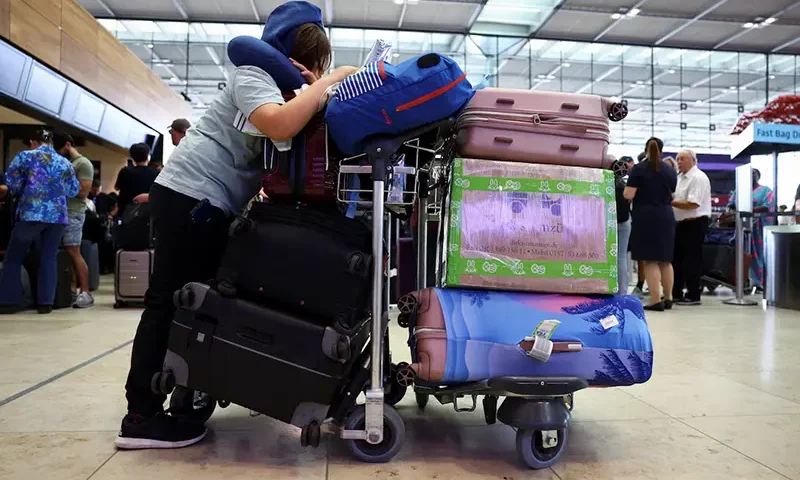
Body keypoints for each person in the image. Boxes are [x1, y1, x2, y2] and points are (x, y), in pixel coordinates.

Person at [115, 0, 359, 451]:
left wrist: (312, 90)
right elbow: (277, 125)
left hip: (202, 199)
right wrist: (327, 82)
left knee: (190, 298)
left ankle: (172, 393)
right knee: (169, 300)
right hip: (192, 195)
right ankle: (140, 416)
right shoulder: (253, 73)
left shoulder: (278, 82)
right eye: (307, 60)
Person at [0, 129, 79, 314]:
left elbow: (13, 183)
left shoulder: (25, 157)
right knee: (49, 257)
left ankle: (7, 300)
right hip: (58, 216)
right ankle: (46, 303)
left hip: (31, 213)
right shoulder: (64, 162)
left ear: (32, 141)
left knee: (13, 257)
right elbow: (73, 190)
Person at [624, 137, 678, 311]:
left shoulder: (639, 169)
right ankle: (668, 297)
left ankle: (655, 300)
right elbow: (672, 195)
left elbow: (628, 194)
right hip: (666, 215)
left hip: (646, 216)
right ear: (661, 150)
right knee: (665, 260)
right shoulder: (669, 170)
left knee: (649, 260)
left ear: (645, 149)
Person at [53, 132, 95, 308]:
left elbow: (83, 192)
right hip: (61, 212)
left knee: (73, 251)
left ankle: (86, 293)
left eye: (60, 148)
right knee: (66, 253)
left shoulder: (83, 163)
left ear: (68, 145)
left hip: (74, 213)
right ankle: (69, 291)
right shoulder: (68, 164)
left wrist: (59, 186)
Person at [671, 149, 711, 305]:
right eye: (677, 158)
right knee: (677, 259)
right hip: (680, 223)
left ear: (693, 160)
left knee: (691, 259)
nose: (679, 161)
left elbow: (693, 203)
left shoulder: (698, 177)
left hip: (695, 222)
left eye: (682, 158)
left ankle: (694, 294)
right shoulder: (680, 178)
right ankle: (676, 292)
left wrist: (669, 202)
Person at [725, 168, 775, 290]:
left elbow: (767, 207)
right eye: (748, 174)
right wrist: (732, 211)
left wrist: (748, 210)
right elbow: (731, 204)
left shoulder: (766, 191)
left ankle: (758, 283)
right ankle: (741, 280)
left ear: (758, 176)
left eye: (753, 174)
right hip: (741, 226)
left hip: (758, 228)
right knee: (741, 253)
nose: (751, 176)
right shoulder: (739, 191)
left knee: (758, 255)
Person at [115, 143, 159, 218]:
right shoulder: (155, 173)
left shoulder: (125, 171)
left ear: (132, 157)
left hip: (126, 214)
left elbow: (117, 187)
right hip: (148, 215)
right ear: (148, 156)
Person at [612, 159, 632, 294]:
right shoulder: (624, 185)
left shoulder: (606, 184)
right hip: (624, 222)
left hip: (609, 222)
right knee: (622, 257)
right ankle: (622, 290)